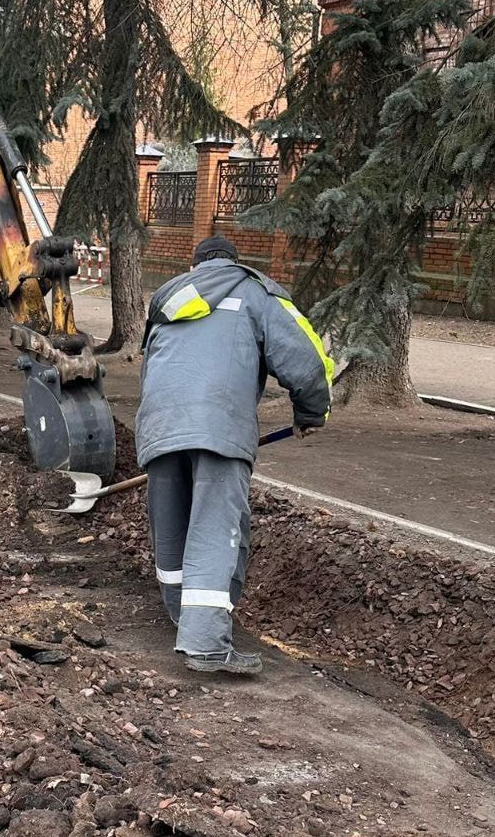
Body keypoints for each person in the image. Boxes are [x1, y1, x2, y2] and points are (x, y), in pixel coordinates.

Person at [136, 235, 334, 676]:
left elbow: (151, 364)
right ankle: (205, 643)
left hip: (159, 424)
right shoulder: (257, 292)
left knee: (170, 523)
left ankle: (183, 619)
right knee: (214, 526)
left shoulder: (169, 297)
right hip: (219, 428)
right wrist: (310, 412)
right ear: (232, 262)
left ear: (195, 266)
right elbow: (307, 361)